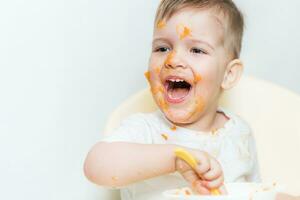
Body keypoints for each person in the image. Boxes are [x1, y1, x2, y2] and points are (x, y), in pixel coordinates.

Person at [84, 0, 296, 199]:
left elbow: (254, 193)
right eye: (162, 48)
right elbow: (96, 166)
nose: (173, 60)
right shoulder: (144, 130)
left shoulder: (240, 132)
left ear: (228, 75)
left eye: (196, 50)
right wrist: (174, 159)